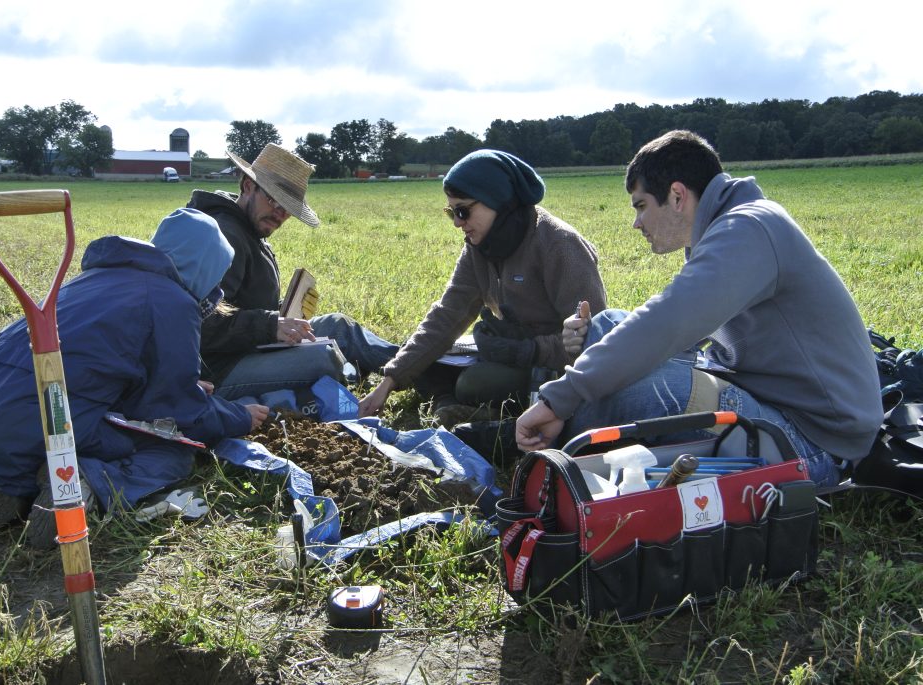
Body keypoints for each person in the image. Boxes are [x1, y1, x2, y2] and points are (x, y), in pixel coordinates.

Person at [516, 130, 883, 487]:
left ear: (677, 195)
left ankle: (544, 460)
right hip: (767, 398)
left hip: (813, 442)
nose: (636, 223)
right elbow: (682, 335)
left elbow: (667, 322)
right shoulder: (731, 227)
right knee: (608, 324)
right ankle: (560, 441)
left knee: (632, 387)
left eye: (641, 206)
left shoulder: (749, 229)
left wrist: (561, 397)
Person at [0, 208, 270, 548]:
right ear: (205, 266)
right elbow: (178, 411)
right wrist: (238, 415)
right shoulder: (172, 300)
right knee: (171, 451)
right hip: (30, 427)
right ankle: (84, 486)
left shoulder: (93, 281)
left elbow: (97, 370)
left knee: (62, 432)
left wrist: (174, 384)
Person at [359, 149, 608, 427]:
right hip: (508, 353)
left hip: (552, 367)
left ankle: (490, 408)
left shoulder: (560, 245)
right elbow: (447, 314)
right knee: (415, 356)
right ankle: (451, 405)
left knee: (474, 384)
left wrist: (529, 350)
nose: (457, 222)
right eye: (451, 212)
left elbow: (595, 341)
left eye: (463, 211)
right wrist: (390, 380)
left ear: (497, 202)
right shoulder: (479, 247)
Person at [187, 143, 398, 401]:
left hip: (251, 347)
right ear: (247, 186)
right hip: (218, 370)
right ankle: (412, 370)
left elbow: (242, 305)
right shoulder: (225, 236)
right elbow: (199, 324)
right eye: (274, 200)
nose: (280, 214)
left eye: (288, 208)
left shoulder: (249, 228)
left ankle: (418, 363)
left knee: (338, 327)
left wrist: (289, 312)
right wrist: (271, 324)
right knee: (324, 357)